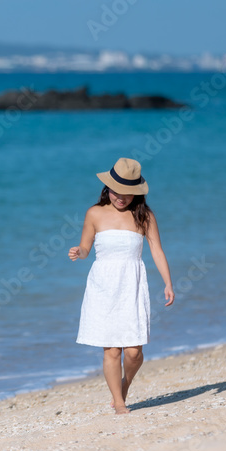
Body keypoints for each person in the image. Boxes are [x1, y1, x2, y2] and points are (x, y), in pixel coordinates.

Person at [69, 157, 174, 414]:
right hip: (103, 286)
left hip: (132, 284)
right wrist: (78, 252)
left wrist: (168, 283)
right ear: (108, 188)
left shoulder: (144, 216)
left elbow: (157, 251)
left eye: (128, 193)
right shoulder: (94, 213)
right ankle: (119, 403)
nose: (121, 197)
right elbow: (86, 247)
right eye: (117, 191)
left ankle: (124, 386)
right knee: (112, 350)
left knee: (134, 353)